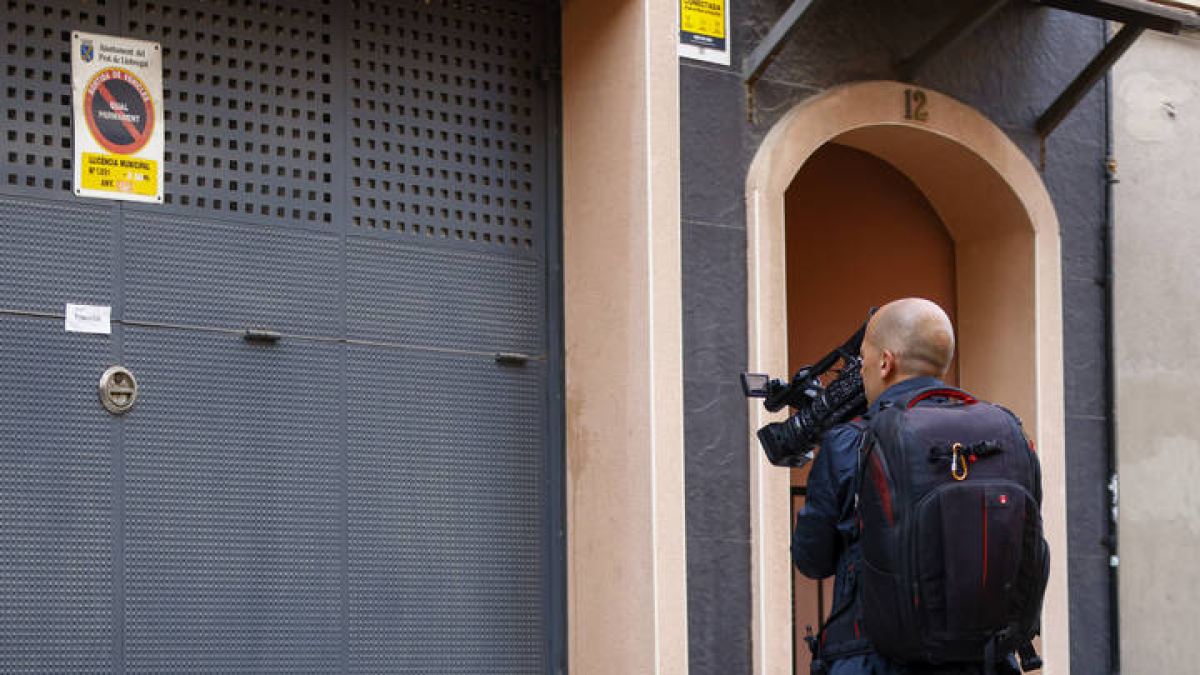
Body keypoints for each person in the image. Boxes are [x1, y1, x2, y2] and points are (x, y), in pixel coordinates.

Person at [792, 298, 1019, 675]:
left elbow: (811, 559)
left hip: (873, 658)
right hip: (984, 659)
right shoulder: (1004, 432)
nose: (862, 370)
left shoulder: (850, 441)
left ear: (885, 361)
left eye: (863, 360)